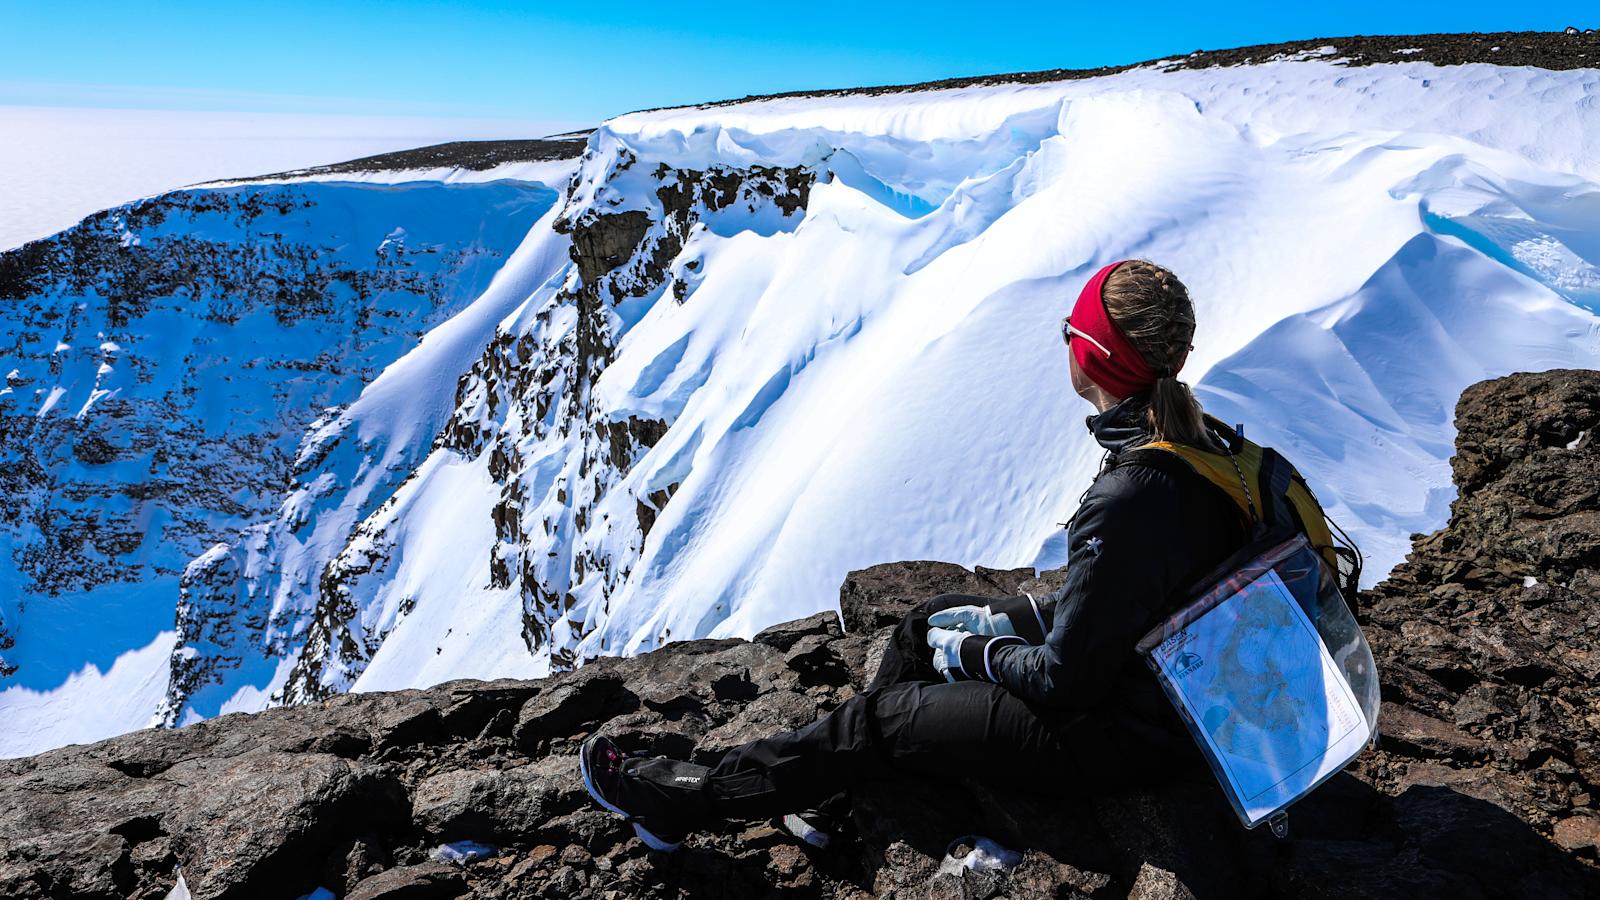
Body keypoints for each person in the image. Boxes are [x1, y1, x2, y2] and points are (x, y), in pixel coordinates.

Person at [580, 259, 1254, 852]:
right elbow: (1131, 590)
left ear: (1093, 359)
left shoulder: (1135, 490)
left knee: (887, 714)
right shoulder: (1197, 447)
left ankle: (684, 799)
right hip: (1163, 680)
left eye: (1069, 334)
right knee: (924, 622)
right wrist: (997, 626)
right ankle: (832, 782)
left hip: (1126, 732)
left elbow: (1064, 682)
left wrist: (978, 654)